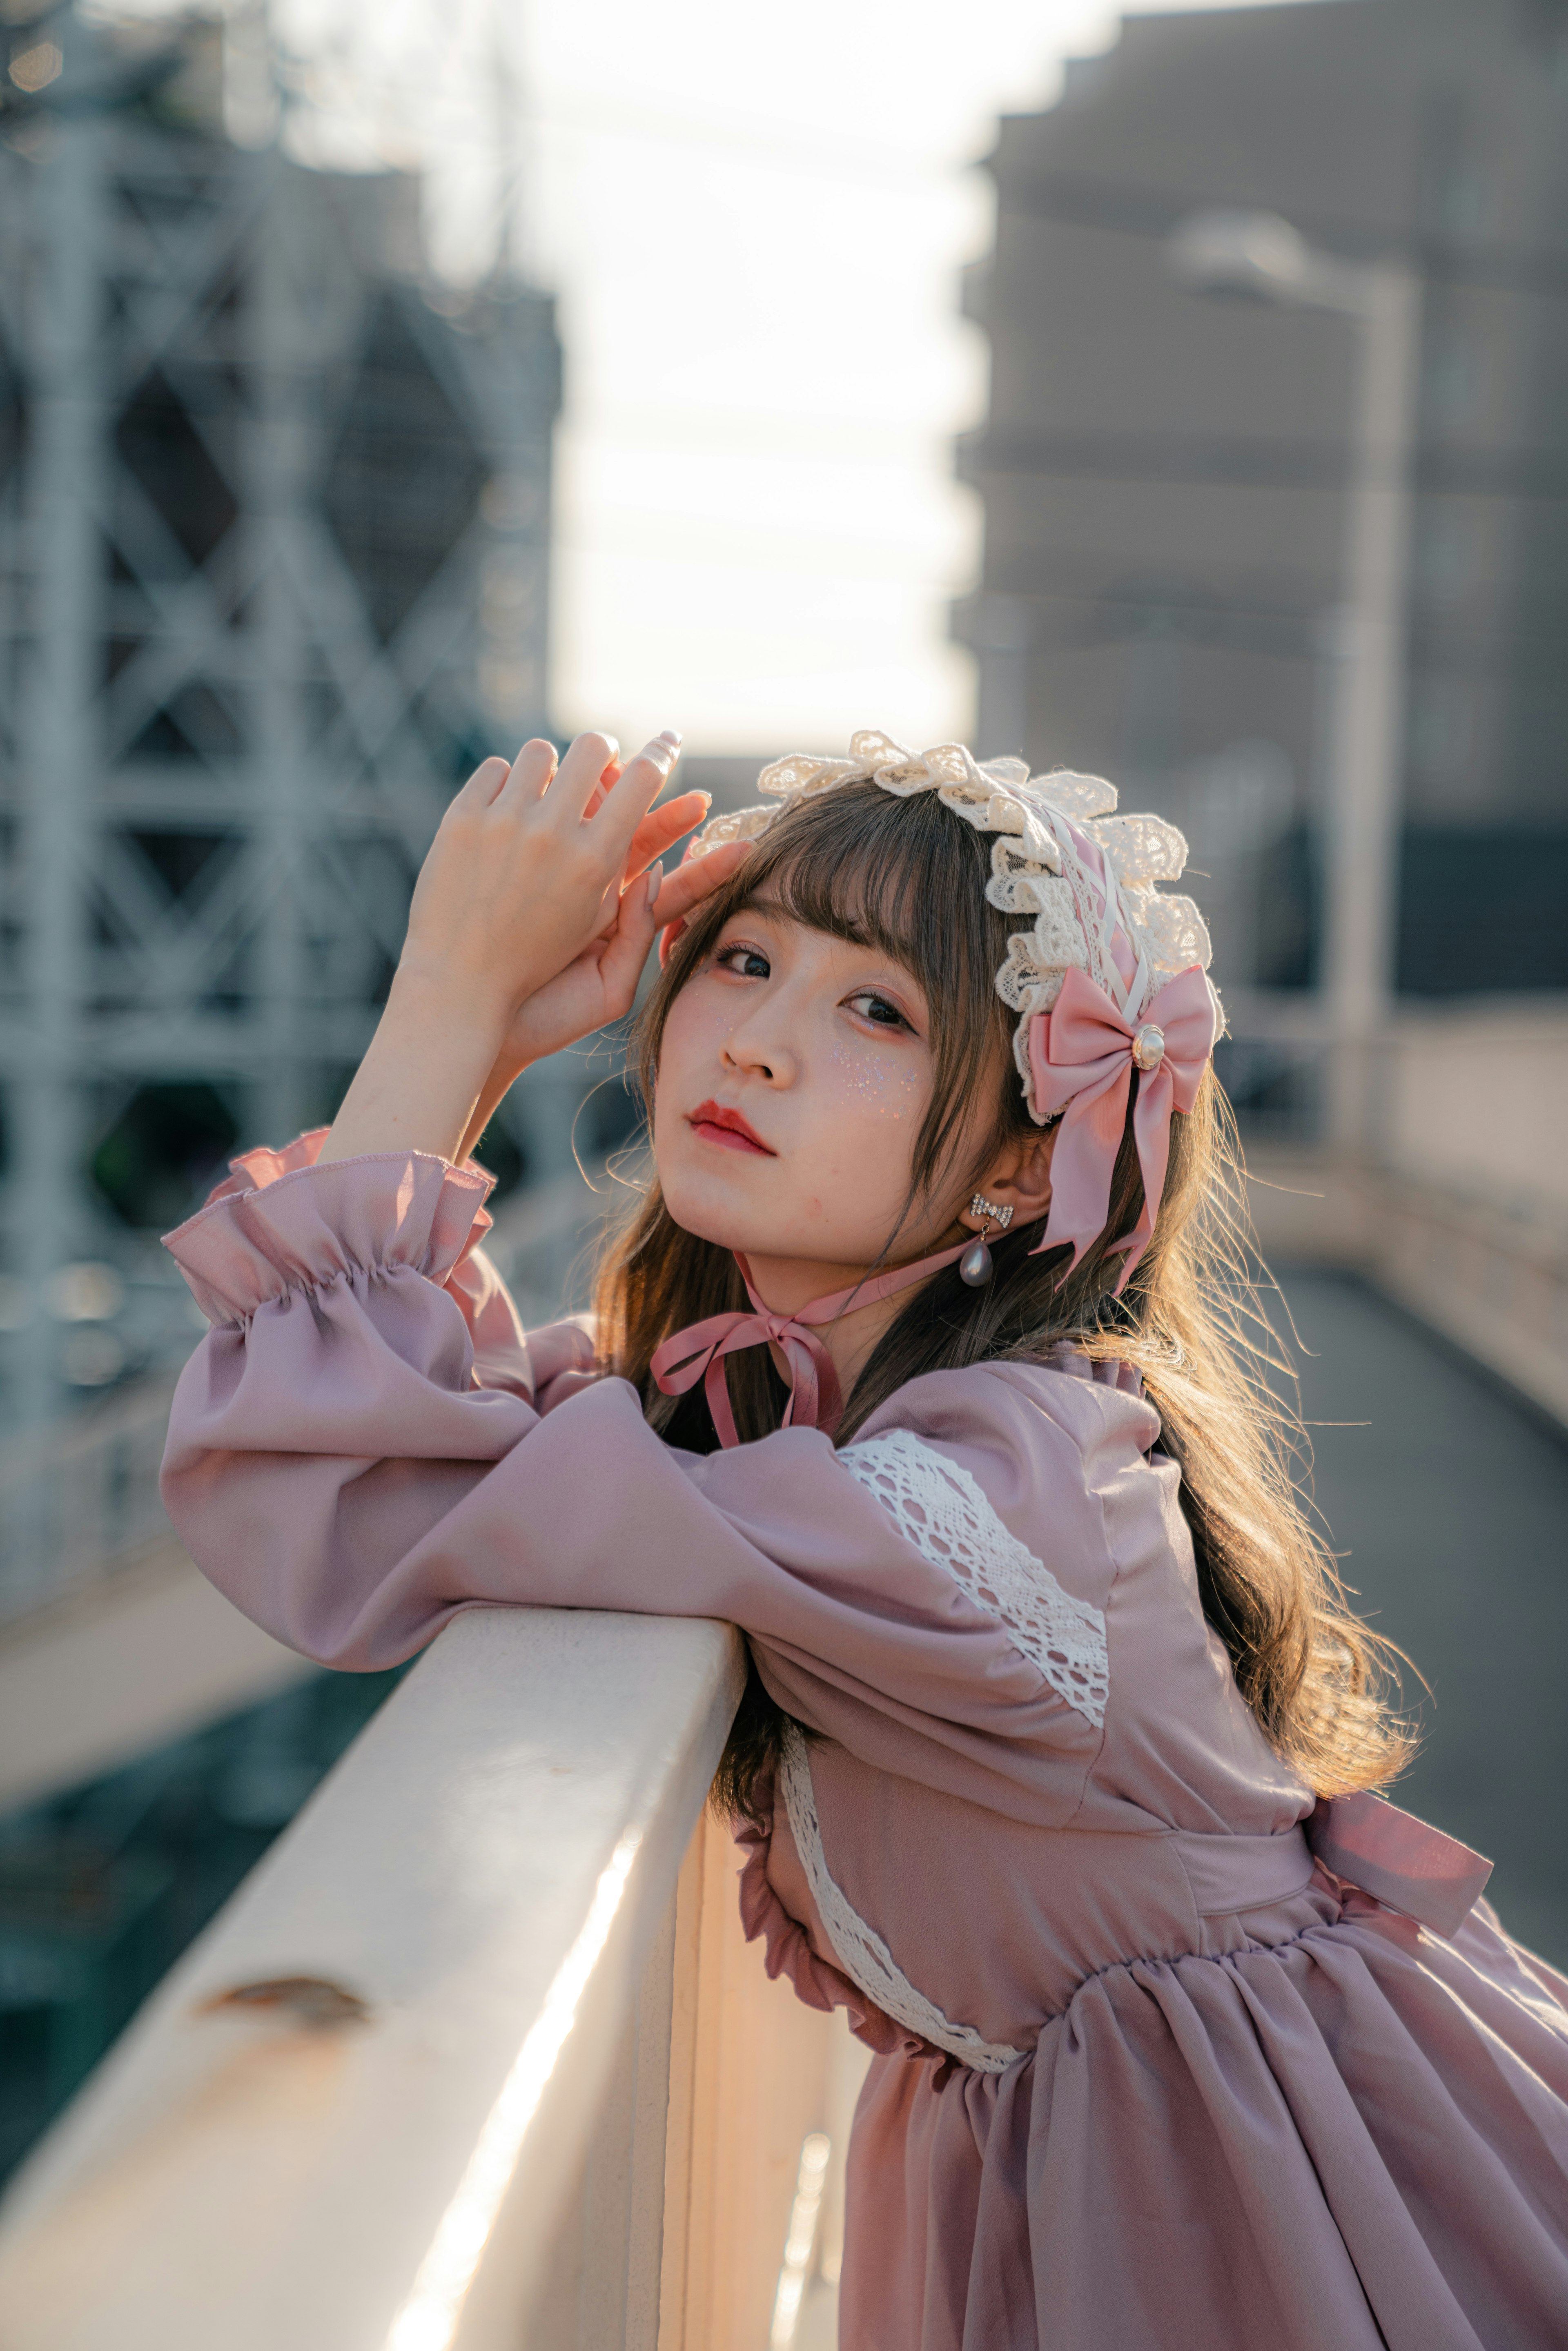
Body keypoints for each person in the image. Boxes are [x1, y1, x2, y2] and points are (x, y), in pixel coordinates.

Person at [161, 726, 1568, 2349]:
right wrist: (476, 1048)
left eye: (875, 1010)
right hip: (1131, 2168)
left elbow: (361, 1476)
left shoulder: (1001, 1482)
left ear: (1025, 1159)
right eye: (743, 959)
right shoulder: (794, 1419)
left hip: (1266, 2193)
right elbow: (368, 1446)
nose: (754, 1043)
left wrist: (446, 1000)